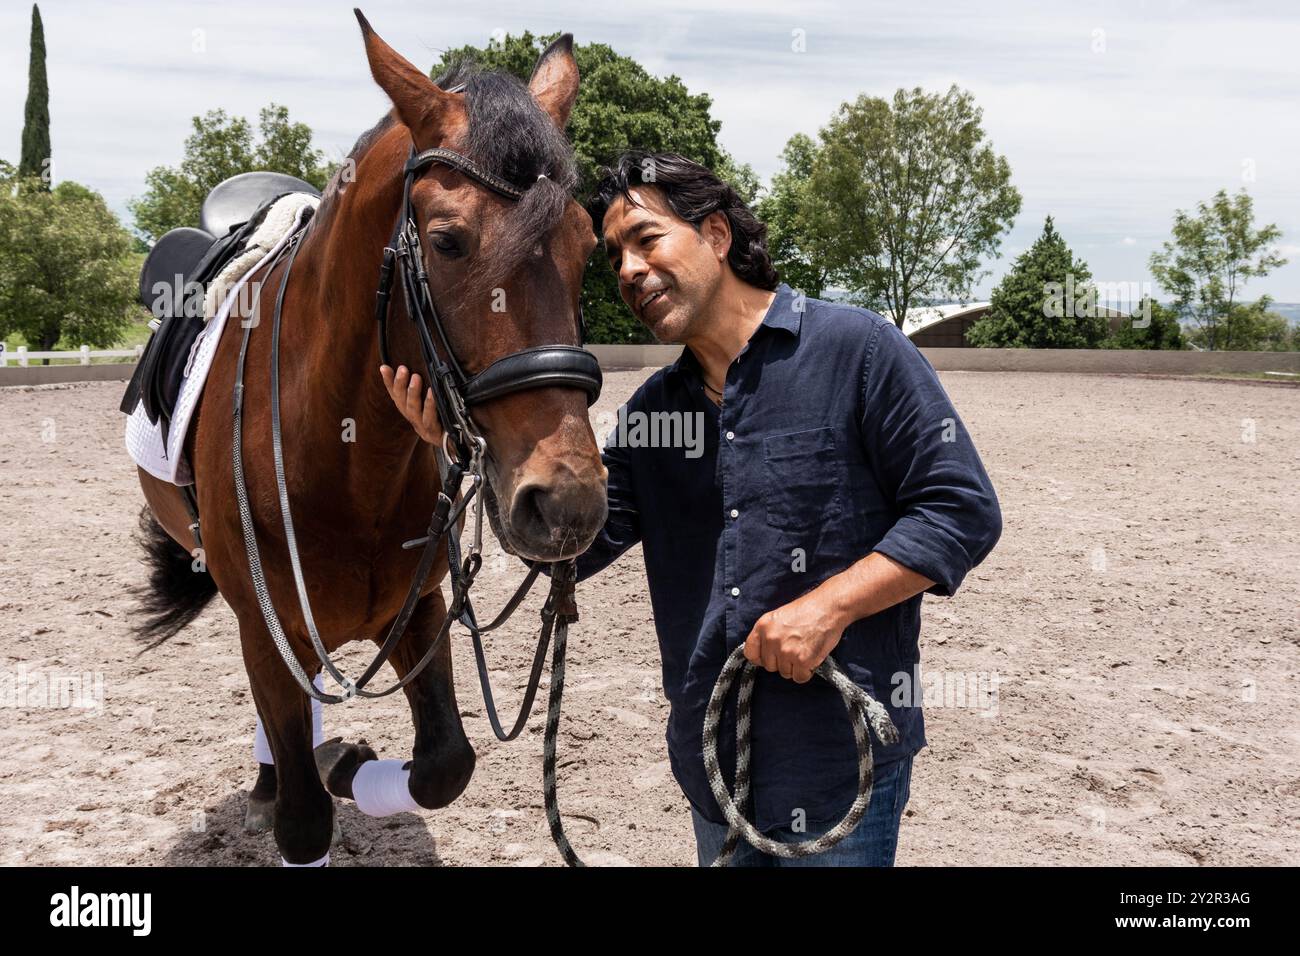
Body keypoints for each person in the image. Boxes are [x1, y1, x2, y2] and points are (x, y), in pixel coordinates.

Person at [381, 151, 1002, 866]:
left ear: (715, 235)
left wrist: (827, 608)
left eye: (647, 239)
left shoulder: (858, 350)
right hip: (712, 764)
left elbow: (959, 507)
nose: (628, 270)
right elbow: (566, 549)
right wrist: (464, 446)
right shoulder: (652, 415)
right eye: (614, 255)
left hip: (839, 760)